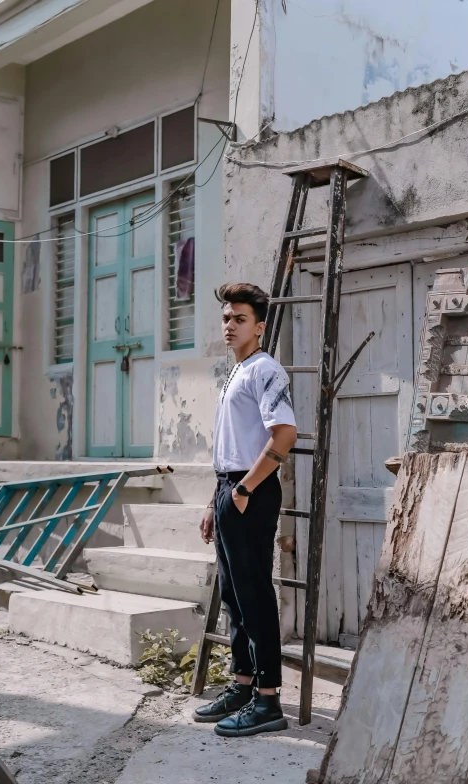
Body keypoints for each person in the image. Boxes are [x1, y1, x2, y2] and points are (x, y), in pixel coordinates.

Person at [193, 282, 297, 738]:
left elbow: (285, 436)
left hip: (250, 492)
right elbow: (231, 445)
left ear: (259, 325)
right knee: (235, 597)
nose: (229, 325)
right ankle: (242, 684)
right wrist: (215, 500)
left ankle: (269, 700)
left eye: (239, 319)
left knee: (254, 594)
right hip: (229, 489)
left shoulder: (266, 370)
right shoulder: (234, 372)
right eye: (226, 318)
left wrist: (244, 490)